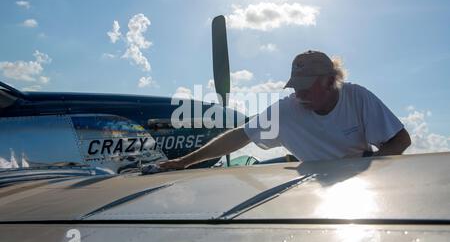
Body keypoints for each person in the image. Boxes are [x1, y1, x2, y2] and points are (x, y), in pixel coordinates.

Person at [160, 50, 411, 170]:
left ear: (329, 80)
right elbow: (240, 135)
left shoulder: (357, 97)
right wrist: (184, 161)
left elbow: (400, 140)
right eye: (295, 87)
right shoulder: (287, 110)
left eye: (305, 87)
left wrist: (366, 166)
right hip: (311, 187)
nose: (298, 94)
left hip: (359, 184)